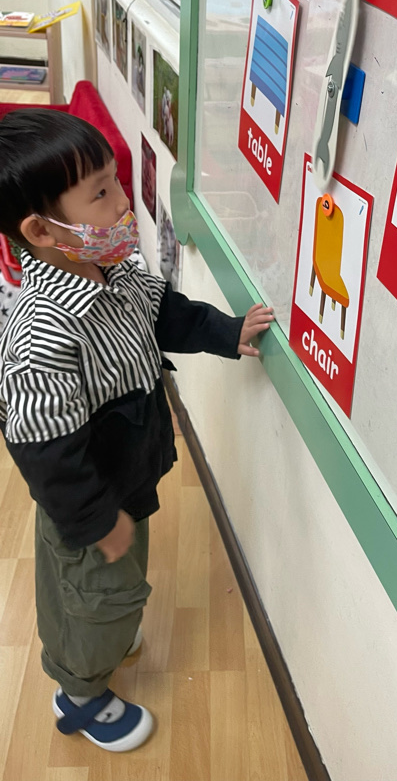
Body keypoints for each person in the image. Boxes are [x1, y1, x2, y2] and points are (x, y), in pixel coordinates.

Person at [0, 108, 273, 753]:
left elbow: (165, 313)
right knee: (93, 591)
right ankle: (80, 693)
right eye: (101, 193)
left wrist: (225, 333)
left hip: (127, 476)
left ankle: (106, 634)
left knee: (110, 589)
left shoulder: (116, 270)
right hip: (88, 500)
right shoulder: (42, 332)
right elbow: (45, 453)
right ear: (40, 229)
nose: (124, 202)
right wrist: (96, 519)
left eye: (117, 181)